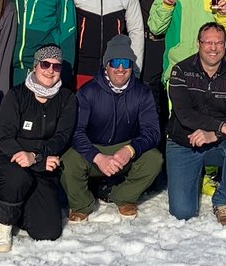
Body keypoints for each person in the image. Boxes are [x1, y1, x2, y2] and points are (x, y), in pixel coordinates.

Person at [62, 36, 163, 221]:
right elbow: (75, 132)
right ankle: (81, 204)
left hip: (123, 151)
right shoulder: (88, 92)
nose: (121, 69)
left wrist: (130, 149)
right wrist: (98, 157)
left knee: (154, 159)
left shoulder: (142, 92)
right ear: (106, 65)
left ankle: (124, 196)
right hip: (94, 150)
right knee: (68, 161)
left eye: (126, 63)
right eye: (115, 62)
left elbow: (153, 132)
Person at [0, 44, 77, 252]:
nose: (50, 70)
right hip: (12, 160)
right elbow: (4, 137)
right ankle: (4, 223)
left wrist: (36, 157)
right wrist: (27, 156)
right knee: (18, 177)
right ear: (35, 67)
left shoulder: (67, 99)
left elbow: (62, 137)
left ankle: (21, 209)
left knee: (47, 232)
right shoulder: (16, 95)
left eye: (56, 66)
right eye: (45, 64)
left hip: (43, 162)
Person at [164, 24, 226, 227]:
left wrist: (215, 134)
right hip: (183, 143)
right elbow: (184, 115)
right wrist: (223, 127)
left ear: (225, 45)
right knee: (182, 212)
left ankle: (222, 201)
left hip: (216, 144)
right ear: (198, 44)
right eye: (208, 42)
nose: (213, 48)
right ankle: (192, 179)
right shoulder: (180, 71)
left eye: (219, 42)